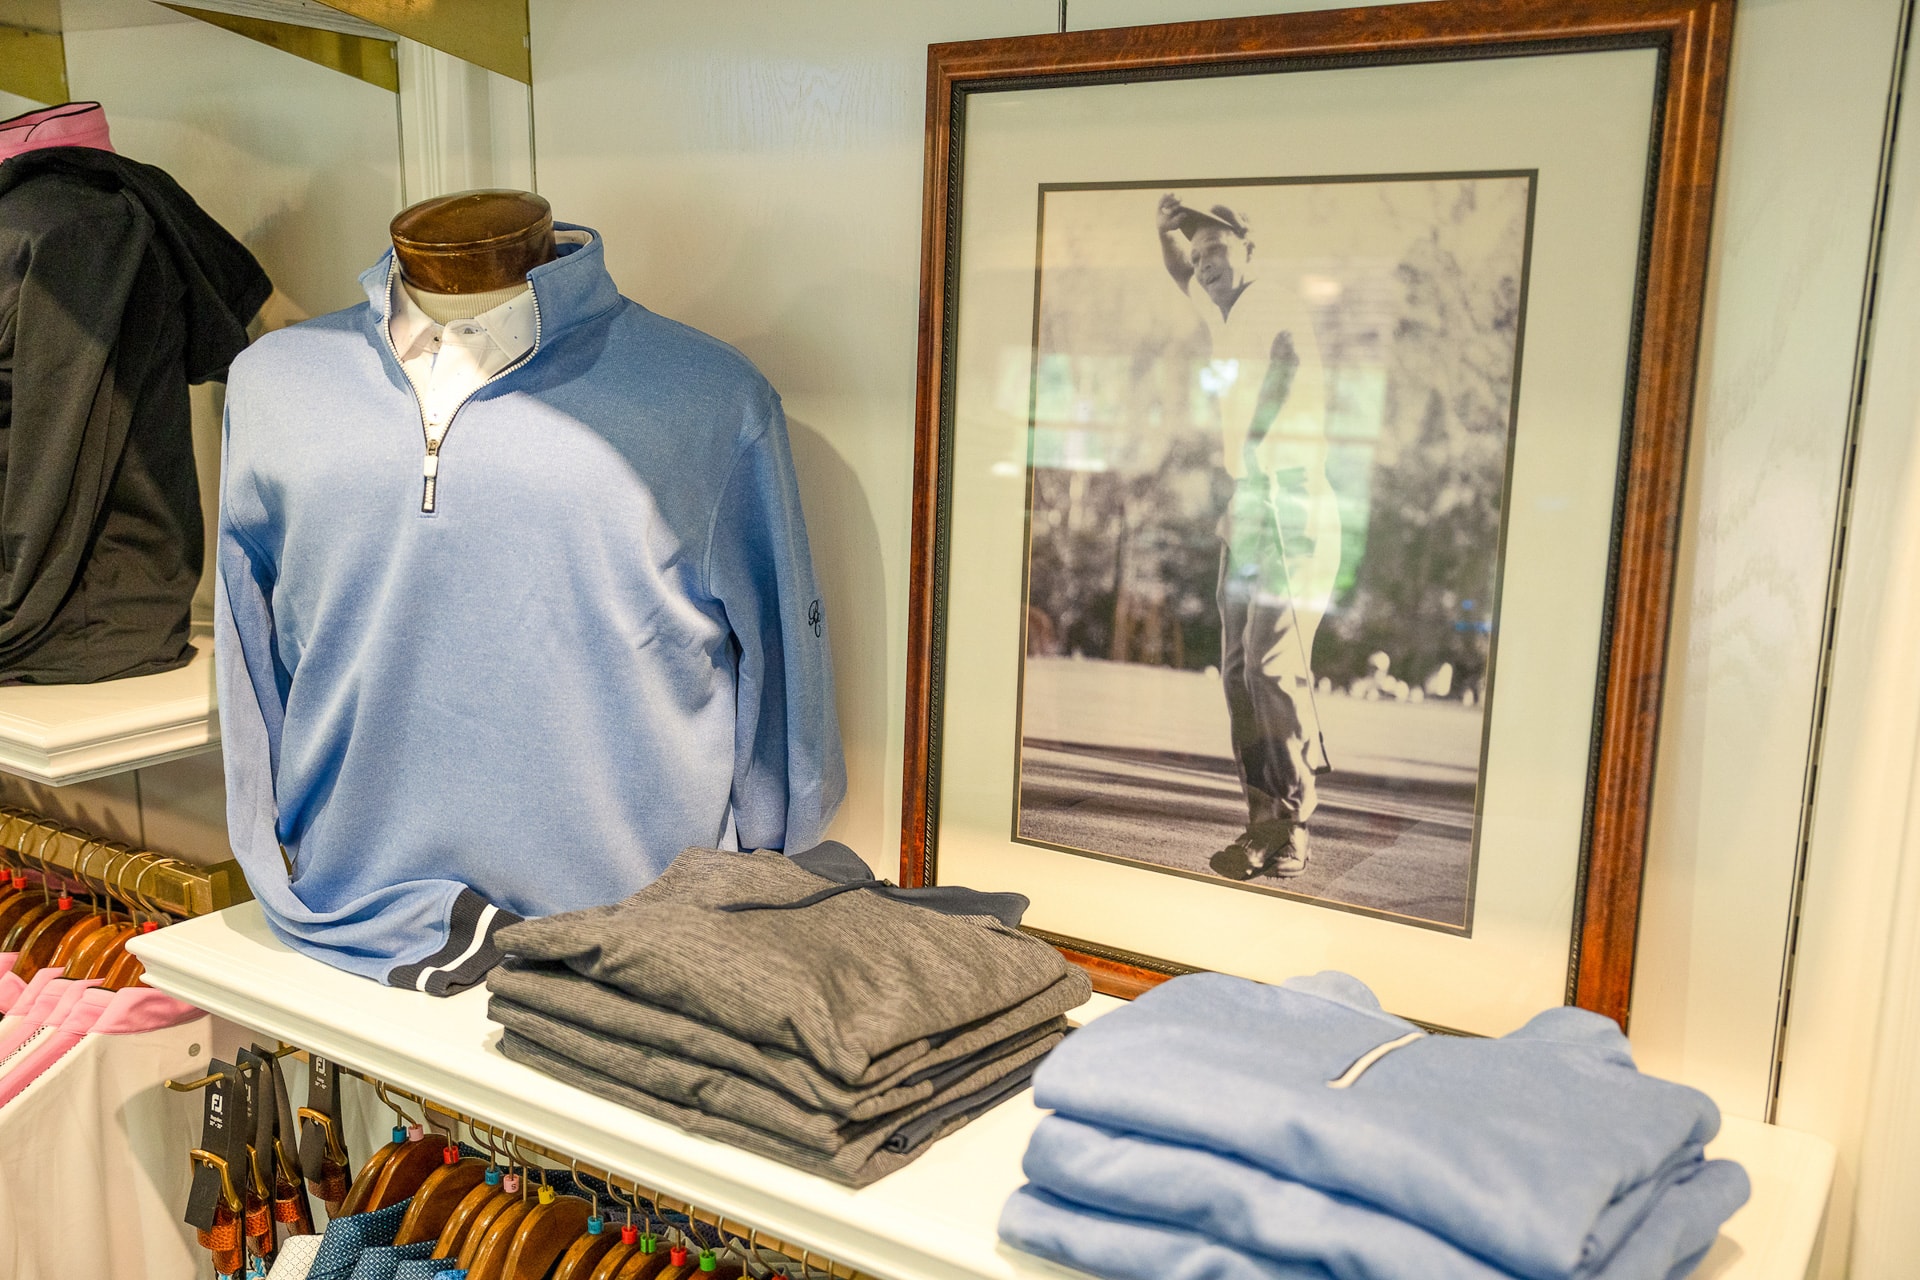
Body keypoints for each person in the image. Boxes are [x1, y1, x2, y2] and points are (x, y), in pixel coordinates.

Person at [1155, 193, 1341, 880]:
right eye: (1199, 253)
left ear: (1249, 249)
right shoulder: (1223, 309)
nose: (1205, 263)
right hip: (1251, 509)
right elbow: (1181, 273)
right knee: (1237, 671)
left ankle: (1292, 822)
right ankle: (1261, 821)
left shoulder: (1269, 301)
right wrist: (1164, 233)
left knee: (1269, 668)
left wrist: (1258, 440)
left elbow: (1288, 362)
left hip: (1290, 501)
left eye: (1218, 250)